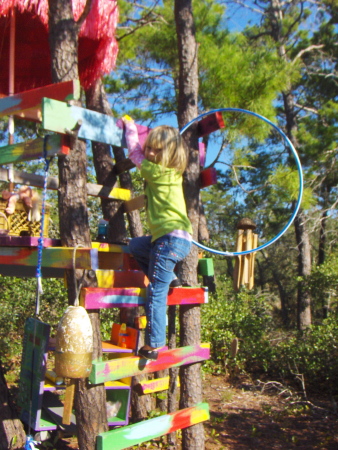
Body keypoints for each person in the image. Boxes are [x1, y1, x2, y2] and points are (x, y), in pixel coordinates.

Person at [122, 115, 193, 360]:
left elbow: (134, 153)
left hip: (168, 239)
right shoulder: (173, 174)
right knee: (136, 244)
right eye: (149, 147)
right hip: (177, 240)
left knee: (155, 291)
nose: (150, 153)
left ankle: (154, 345)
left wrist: (131, 128)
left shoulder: (159, 171)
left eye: (156, 150)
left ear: (170, 154)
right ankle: (171, 278)